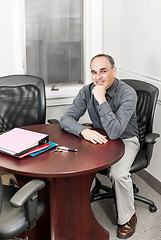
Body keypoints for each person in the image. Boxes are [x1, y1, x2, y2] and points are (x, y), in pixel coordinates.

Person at [60, 54, 140, 239]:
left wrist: (102, 99)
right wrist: (84, 131)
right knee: (75, 160)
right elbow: (66, 118)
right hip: (98, 137)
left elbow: (115, 132)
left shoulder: (128, 93)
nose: (98, 77)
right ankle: (92, 184)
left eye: (103, 71)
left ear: (114, 71)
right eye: (94, 72)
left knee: (118, 174)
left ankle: (128, 218)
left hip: (125, 139)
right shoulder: (87, 91)